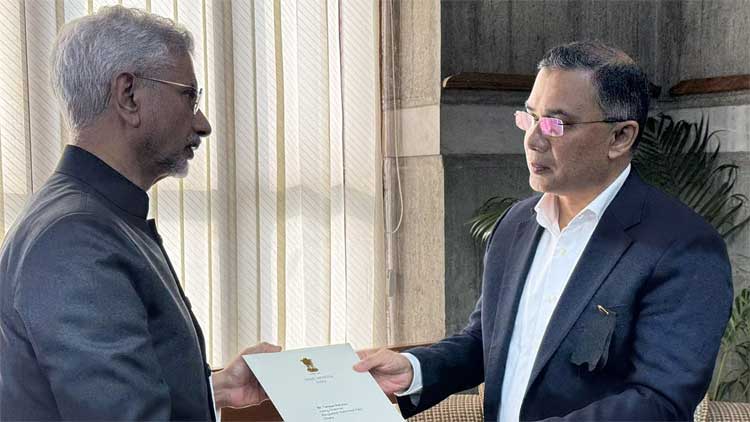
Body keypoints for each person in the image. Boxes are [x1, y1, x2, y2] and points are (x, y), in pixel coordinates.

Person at [355, 41, 733, 421]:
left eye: (556, 124)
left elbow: (659, 403)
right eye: (530, 117)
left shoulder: (684, 248)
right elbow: (486, 341)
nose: (533, 140)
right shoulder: (515, 224)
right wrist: (414, 370)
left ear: (620, 137)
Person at [0, 6, 279, 421]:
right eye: (190, 96)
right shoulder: (76, 239)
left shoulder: (92, 216)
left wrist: (214, 389)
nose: (202, 124)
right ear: (128, 95)